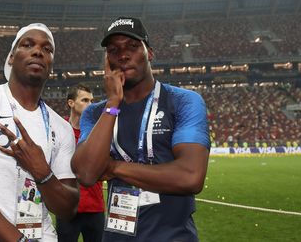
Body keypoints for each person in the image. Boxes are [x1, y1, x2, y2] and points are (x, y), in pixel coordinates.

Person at [71, 17, 210, 241]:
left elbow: (190, 176)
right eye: (114, 50)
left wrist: (115, 167)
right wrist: (113, 104)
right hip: (116, 235)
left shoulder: (182, 101)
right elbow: (87, 174)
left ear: (150, 53)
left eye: (133, 47)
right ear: (107, 60)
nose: (123, 55)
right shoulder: (95, 113)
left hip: (172, 236)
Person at [0, 23, 79, 242]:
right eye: (27, 44)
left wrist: (43, 172)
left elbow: (68, 208)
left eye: (47, 49)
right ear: (11, 57)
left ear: (52, 66)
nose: (38, 51)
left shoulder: (61, 127)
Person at [56, 84, 105, 242]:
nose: (90, 105)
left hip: (94, 207)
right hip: (67, 206)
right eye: (85, 100)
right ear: (71, 103)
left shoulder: (97, 132)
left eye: (92, 101)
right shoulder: (57, 129)